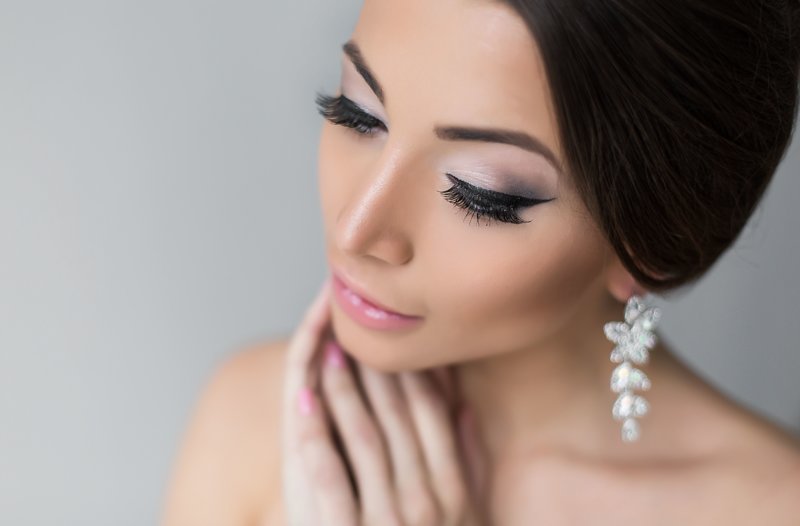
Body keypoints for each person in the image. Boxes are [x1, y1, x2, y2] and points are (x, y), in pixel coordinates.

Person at [161, 0, 800, 524]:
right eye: (357, 113)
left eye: (480, 193)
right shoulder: (256, 422)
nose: (357, 229)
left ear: (650, 242)